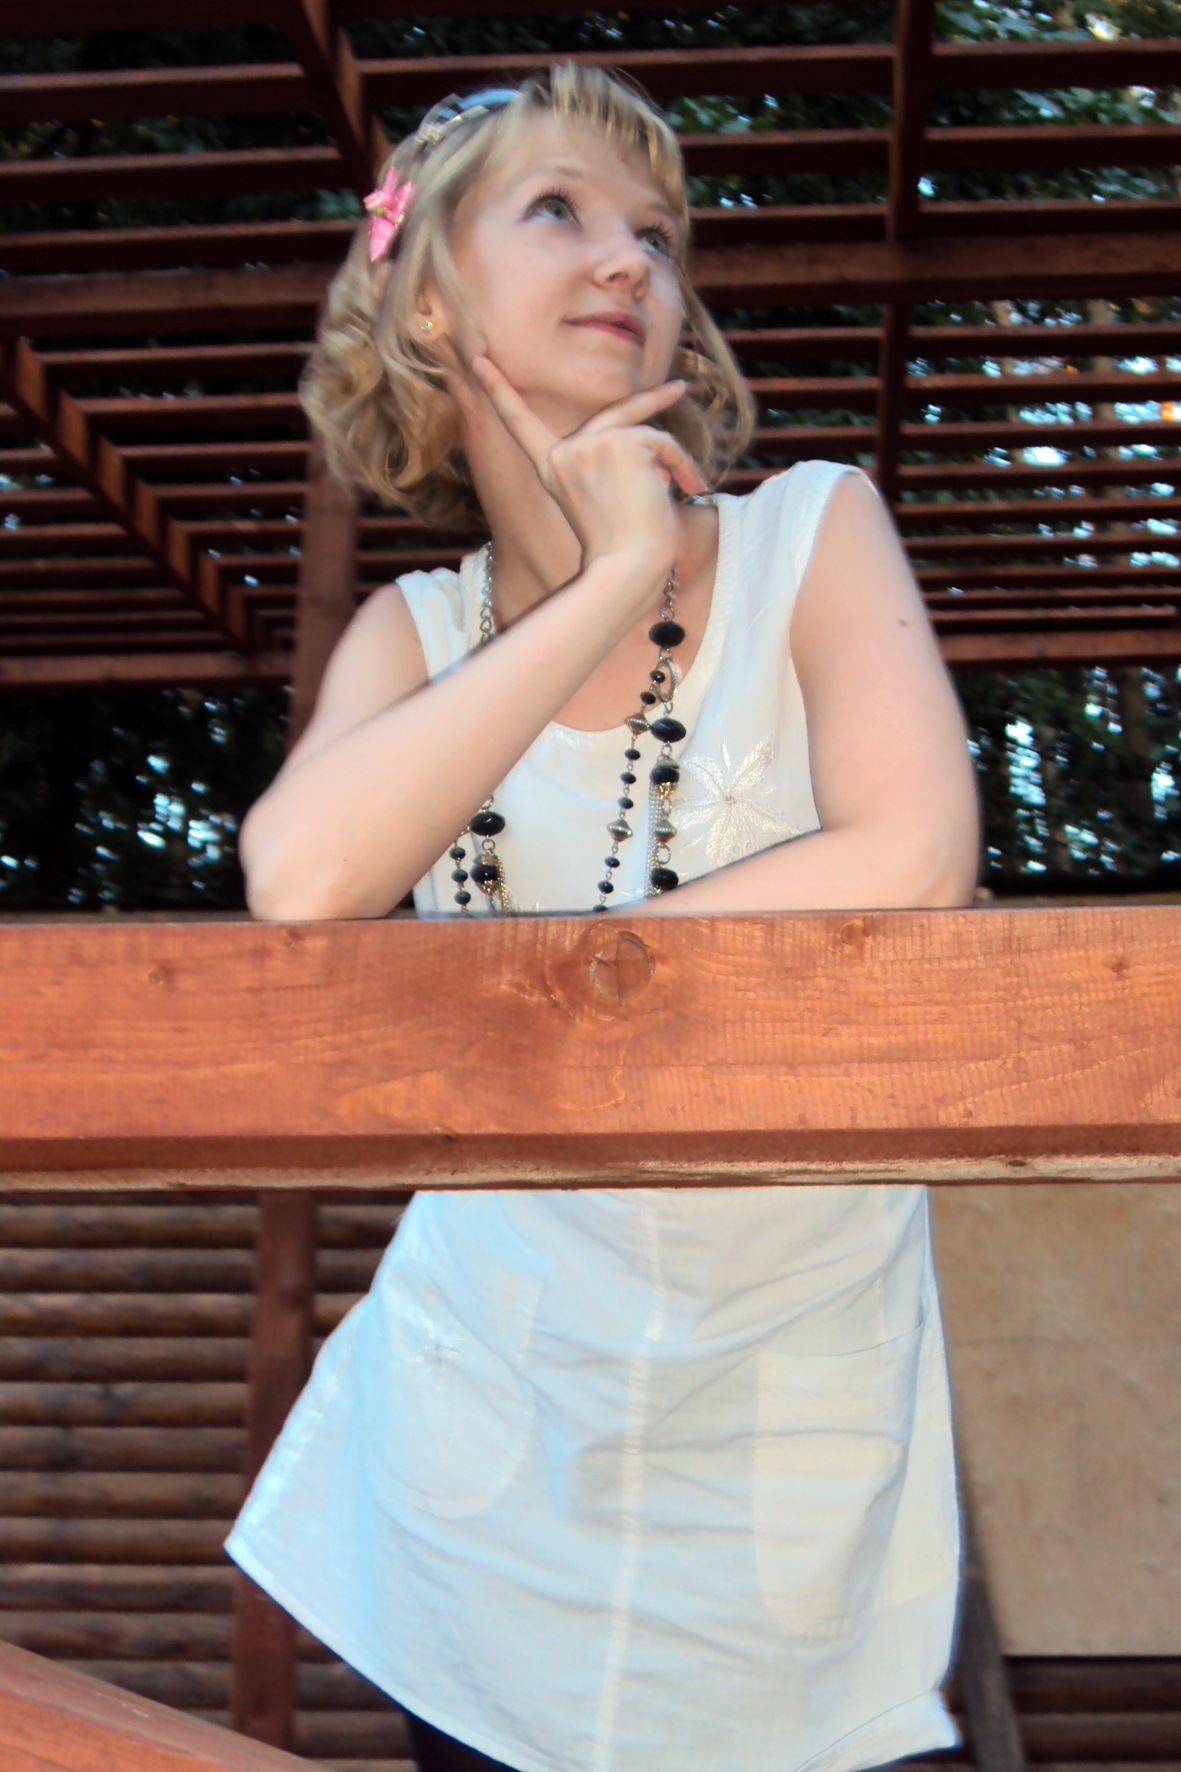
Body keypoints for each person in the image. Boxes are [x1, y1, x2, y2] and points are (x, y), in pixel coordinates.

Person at [223, 62, 981, 1772]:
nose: (629, 258)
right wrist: (613, 575)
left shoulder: (811, 535)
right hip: (487, 1447)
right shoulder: (416, 637)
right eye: (559, 210)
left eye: (656, 230)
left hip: (790, 1427)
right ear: (430, 303)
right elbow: (302, 881)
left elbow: (917, 855)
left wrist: (543, 998)